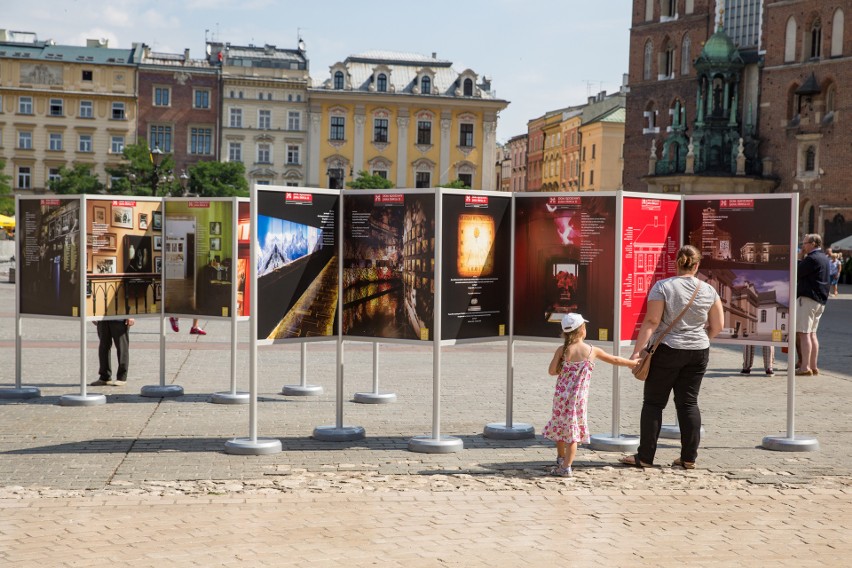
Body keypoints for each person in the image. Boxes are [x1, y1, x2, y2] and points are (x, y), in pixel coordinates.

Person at [619, 245, 724, 469]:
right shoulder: (709, 290)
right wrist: (701, 338)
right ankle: (688, 458)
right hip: (698, 351)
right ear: (697, 266)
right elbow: (718, 325)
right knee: (688, 403)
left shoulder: (663, 287)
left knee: (654, 403)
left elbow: (652, 322)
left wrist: (638, 351)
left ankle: (645, 457)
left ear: (677, 262)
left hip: (667, 349)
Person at [543, 313, 638, 478]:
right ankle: (566, 467)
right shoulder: (591, 351)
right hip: (577, 400)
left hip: (560, 398)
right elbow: (615, 360)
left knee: (560, 428)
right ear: (582, 330)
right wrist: (632, 363)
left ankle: (561, 459)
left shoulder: (562, 350)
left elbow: (552, 371)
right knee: (573, 434)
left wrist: (562, 367)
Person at [795, 233, 831, 376]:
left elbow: (796, 272)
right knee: (812, 334)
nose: (803, 246)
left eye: (804, 243)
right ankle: (813, 366)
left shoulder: (812, 259)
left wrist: (799, 257)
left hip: (808, 299)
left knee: (804, 334)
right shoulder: (824, 258)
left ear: (813, 244)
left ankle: (804, 367)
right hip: (820, 300)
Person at [90, 318, 135, 386]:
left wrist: (130, 316)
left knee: (122, 348)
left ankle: (122, 378)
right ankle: (105, 377)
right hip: (103, 319)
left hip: (120, 319)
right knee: (103, 348)